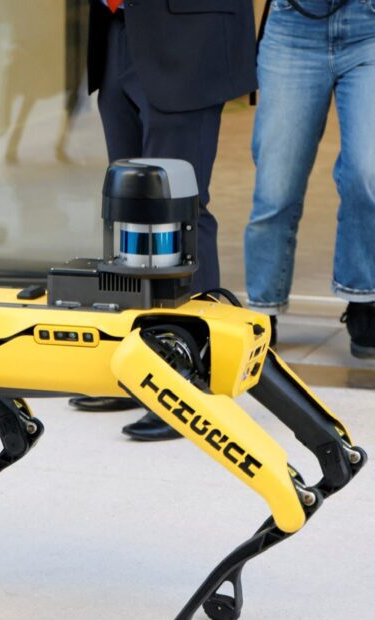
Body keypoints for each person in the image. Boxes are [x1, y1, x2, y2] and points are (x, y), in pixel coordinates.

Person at [70, 0, 258, 441]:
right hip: (118, 30)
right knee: (131, 208)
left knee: (179, 209)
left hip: (187, 34)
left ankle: (188, 376)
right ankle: (139, 367)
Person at [243, 0, 375, 359]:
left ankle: (364, 295)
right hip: (292, 28)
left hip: (370, 27)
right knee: (276, 186)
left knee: (368, 174)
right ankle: (263, 306)